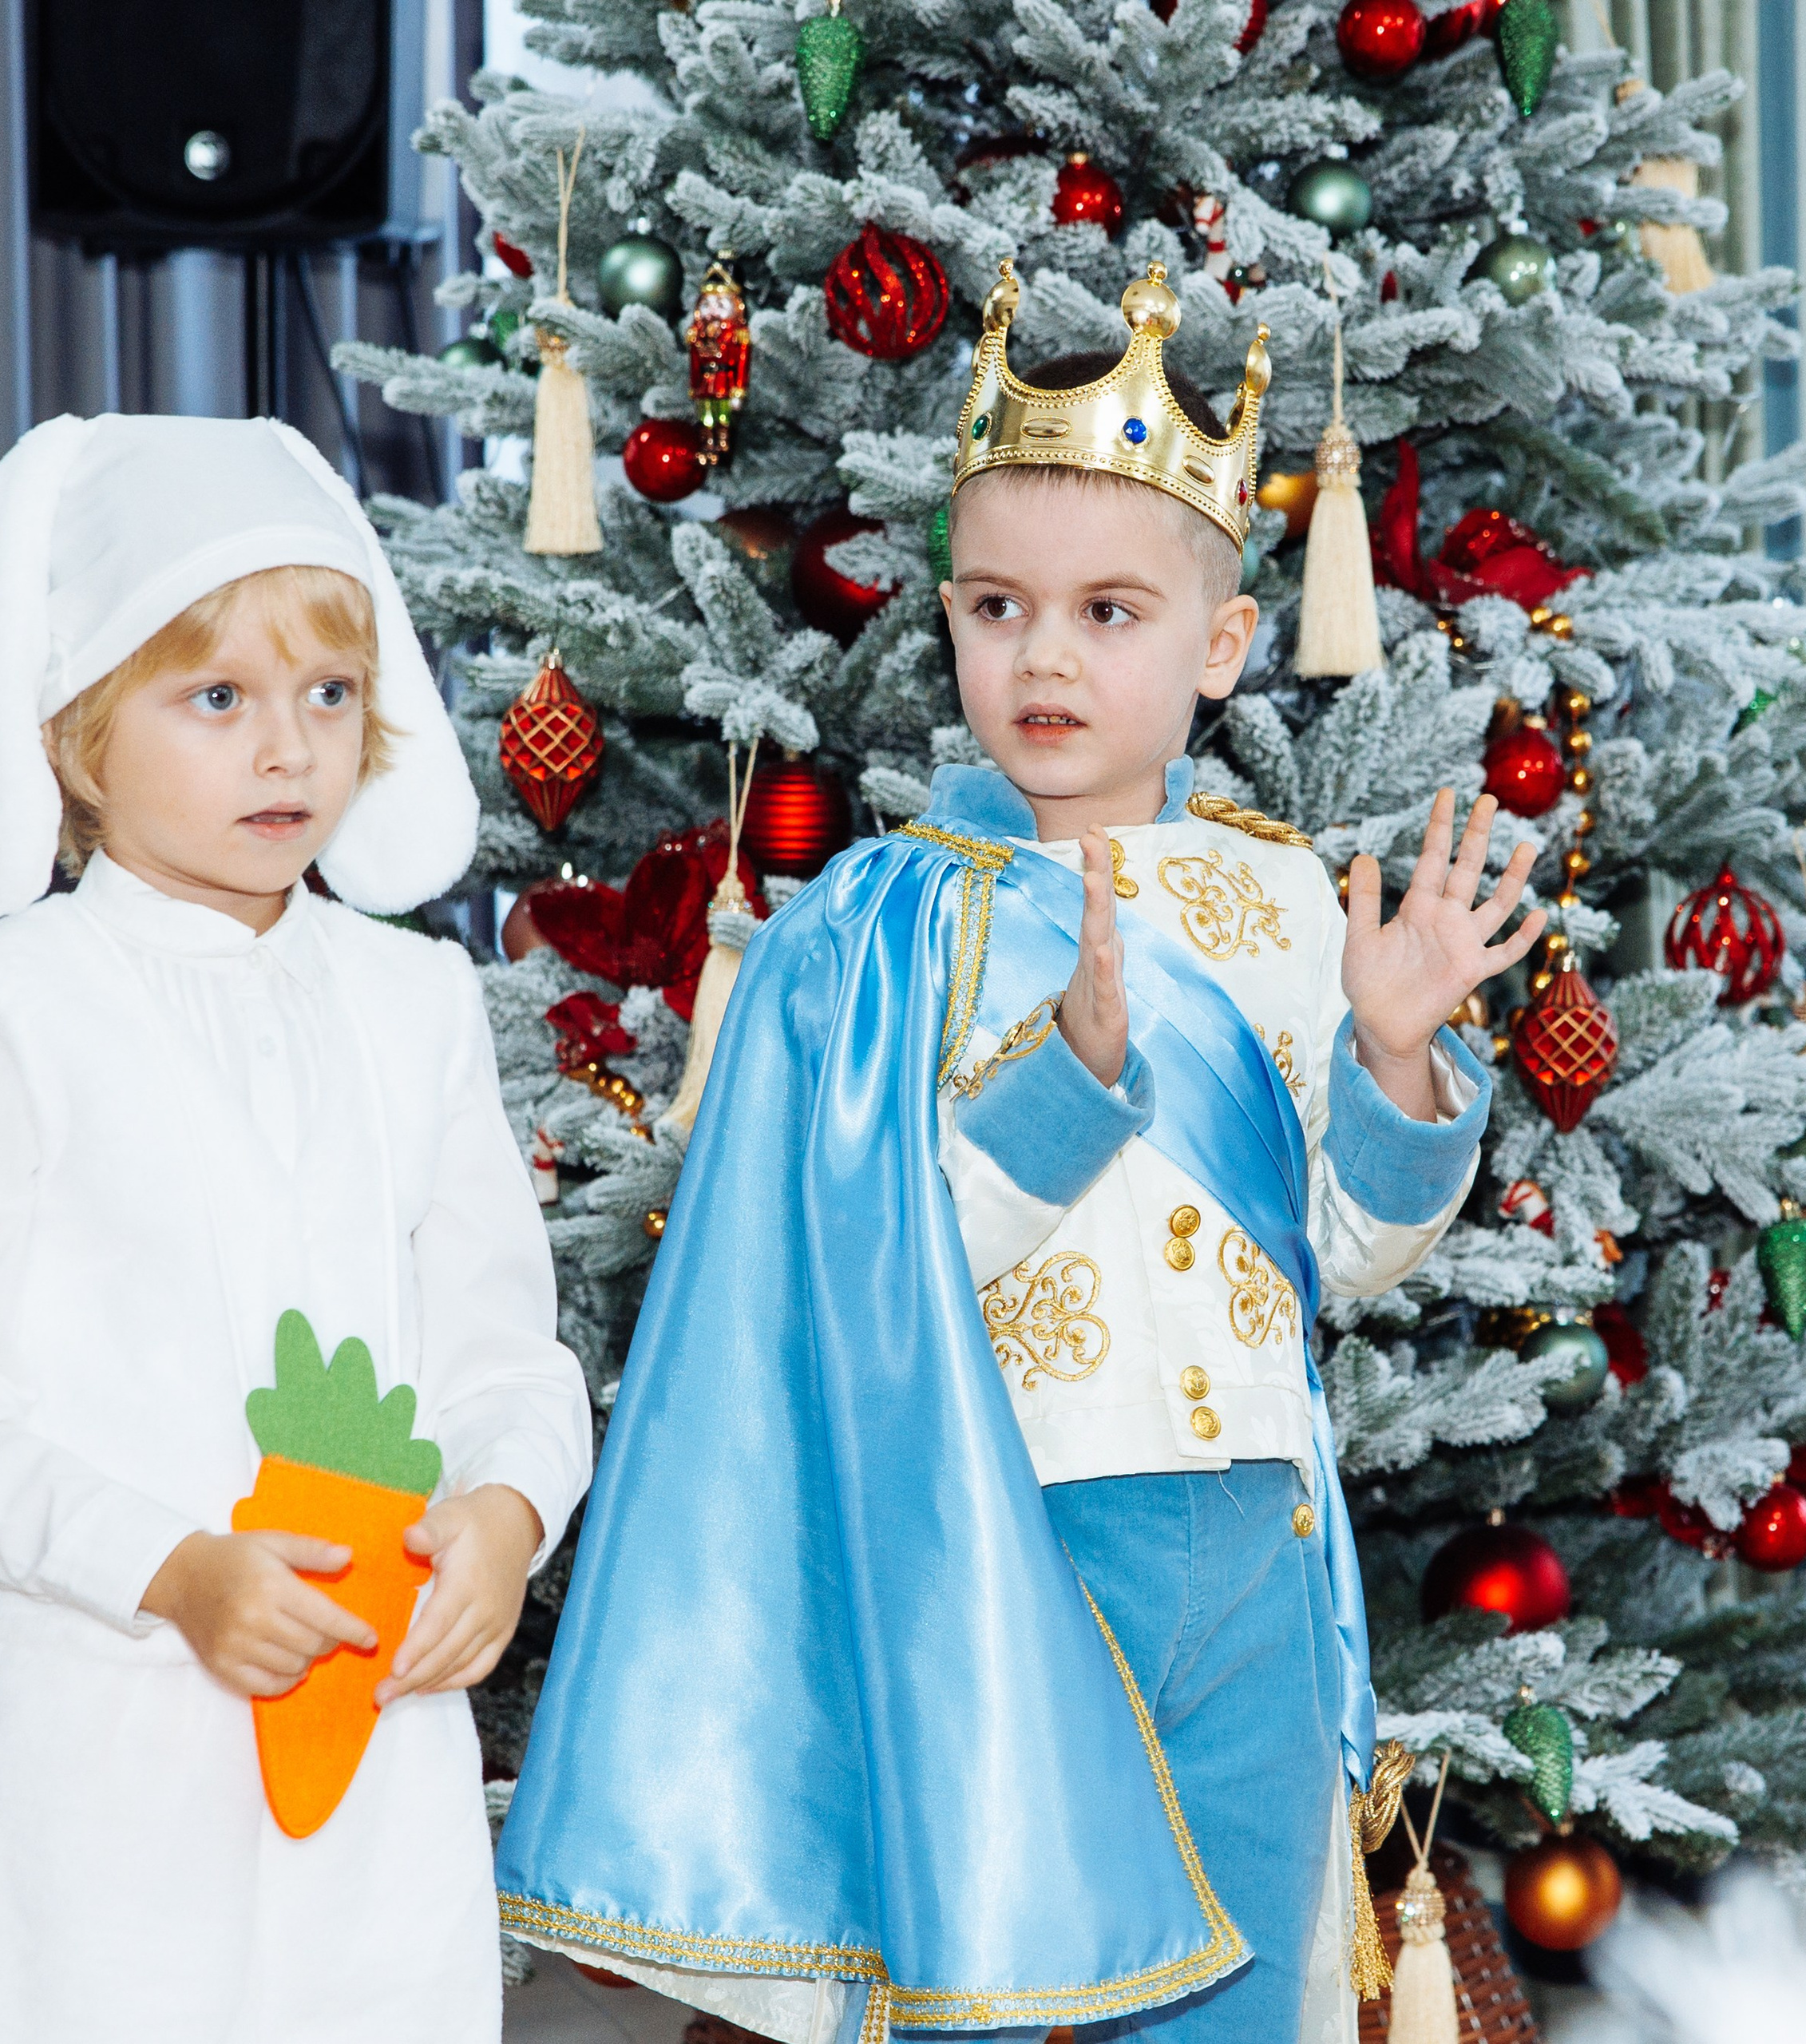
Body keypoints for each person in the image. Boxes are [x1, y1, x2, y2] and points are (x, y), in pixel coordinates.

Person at [496, 261, 1542, 2044]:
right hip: (1007, 1540)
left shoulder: (1289, 896)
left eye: (1108, 610)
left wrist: (1388, 1042)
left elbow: (1355, 1246)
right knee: (990, 1984)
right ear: (952, 622)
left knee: (1228, 1997)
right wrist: (1061, 1084)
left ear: (1216, 645)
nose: (1043, 654)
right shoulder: (881, 927)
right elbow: (866, 1269)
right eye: (998, 605)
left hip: (1258, 1549)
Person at [0, 413, 593, 2044]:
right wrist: (170, 1568)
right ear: (73, 733)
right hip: (107, 1734)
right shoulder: (28, 1007)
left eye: (330, 696)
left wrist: (503, 1511)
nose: (291, 749)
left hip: (378, 1738)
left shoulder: (411, 1003)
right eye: (219, 698)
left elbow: (499, 1340)